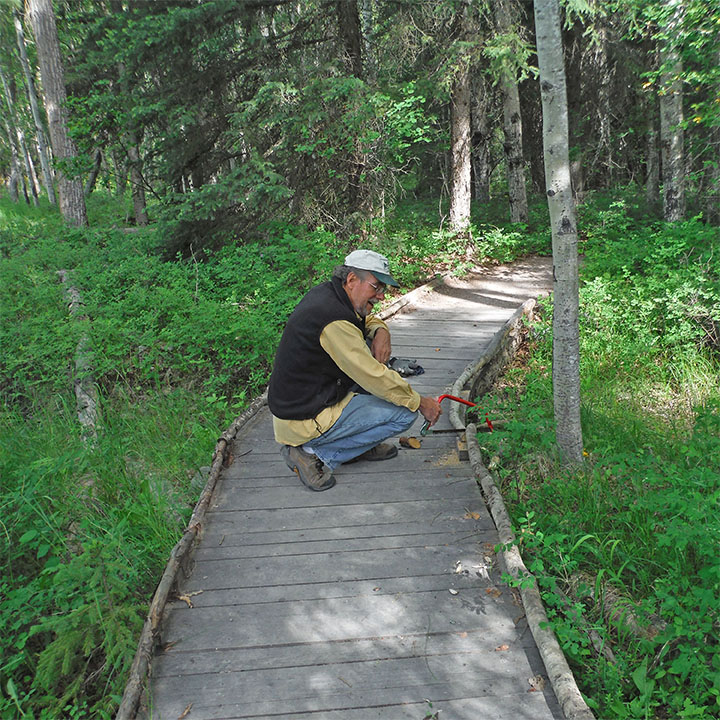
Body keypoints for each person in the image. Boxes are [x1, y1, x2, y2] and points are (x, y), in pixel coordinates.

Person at [268, 249, 442, 491]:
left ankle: (355, 444)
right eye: (376, 287)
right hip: (304, 417)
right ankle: (312, 453)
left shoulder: (332, 295)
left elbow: (363, 320)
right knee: (405, 412)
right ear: (352, 280)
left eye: (383, 289)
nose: (381, 296)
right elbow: (372, 375)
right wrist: (421, 402)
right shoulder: (333, 320)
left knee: (372, 348)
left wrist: (382, 330)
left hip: (309, 400)